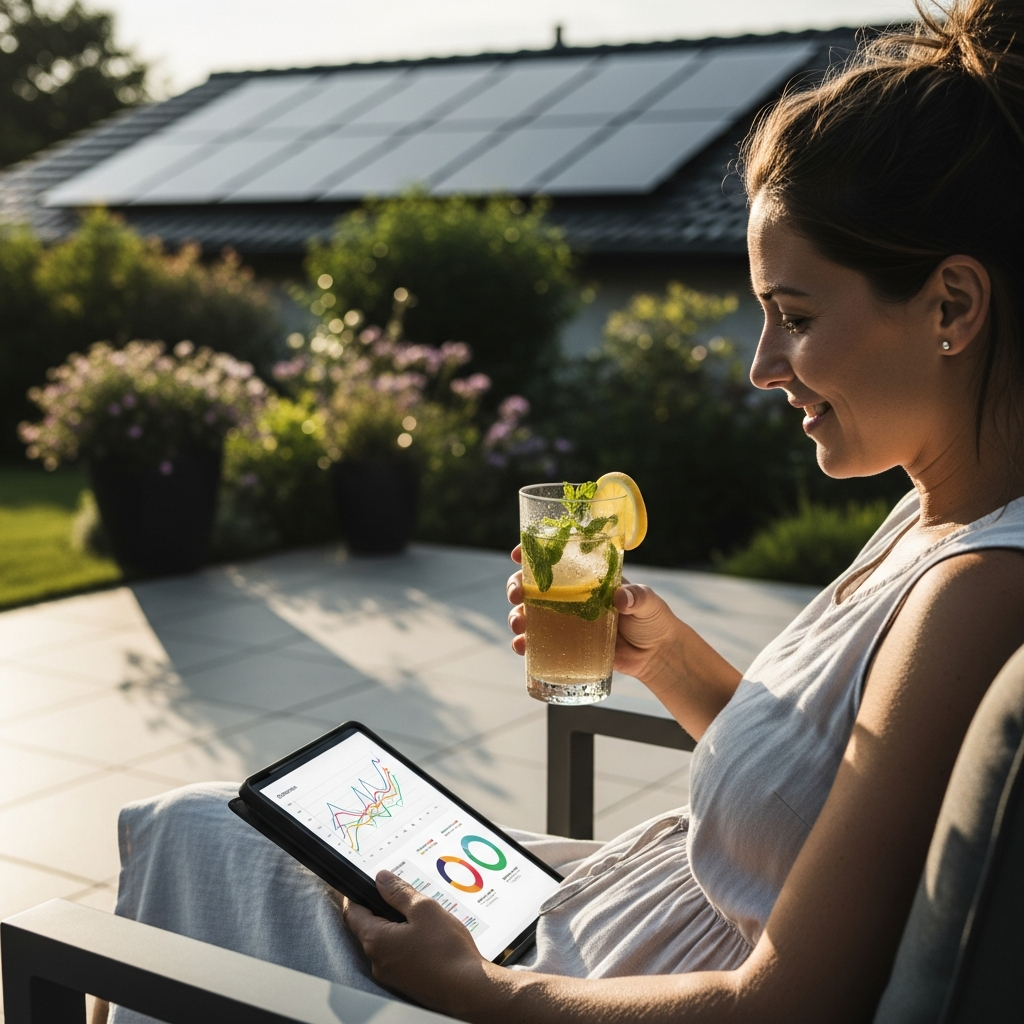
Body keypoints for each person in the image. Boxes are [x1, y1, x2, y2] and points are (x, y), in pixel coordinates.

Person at [101, 2, 1024, 1022]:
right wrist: (667, 658)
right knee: (235, 830)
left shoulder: (979, 591)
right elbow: (833, 794)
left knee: (192, 838)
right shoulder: (938, 516)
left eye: (795, 317)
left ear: (951, 306)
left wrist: (477, 986)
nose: (763, 367)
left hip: (568, 991)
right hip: (583, 930)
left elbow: (787, 1003)